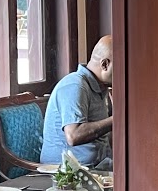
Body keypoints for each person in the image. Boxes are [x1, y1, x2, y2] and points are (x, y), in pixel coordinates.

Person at [40, 35, 114, 168]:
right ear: (105, 64)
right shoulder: (75, 85)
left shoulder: (101, 86)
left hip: (95, 166)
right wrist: (118, 120)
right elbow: (74, 136)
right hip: (65, 172)